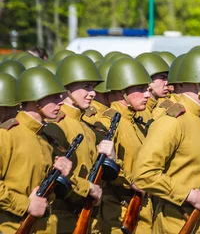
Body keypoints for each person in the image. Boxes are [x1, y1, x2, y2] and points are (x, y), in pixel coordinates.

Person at [133, 48, 200, 233]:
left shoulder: (199, 119)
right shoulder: (173, 121)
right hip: (177, 223)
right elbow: (143, 174)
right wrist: (188, 195)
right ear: (196, 84)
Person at [46, 55, 116, 233]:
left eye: (93, 87)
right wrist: (87, 189)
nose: (92, 93)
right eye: (86, 87)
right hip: (63, 219)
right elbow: (52, 173)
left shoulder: (86, 125)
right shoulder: (56, 125)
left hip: (89, 216)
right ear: (67, 87)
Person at [0, 67, 73, 233]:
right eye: (54, 96)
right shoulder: (6, 135)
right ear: (36, 98)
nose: (61, 101)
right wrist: (25, 204)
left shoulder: (45, 138)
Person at [94, 58, 154, 234]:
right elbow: (104, 166)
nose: (148, 95)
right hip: (118, 213)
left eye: (147, 89)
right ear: (122, 92)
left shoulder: (136, 122)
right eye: (141, 89)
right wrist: (130, 181)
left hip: (142, 210)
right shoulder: (107, 122)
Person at [135, 53, 170, 125]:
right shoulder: (139, 112)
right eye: (162, 78)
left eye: (167, 78)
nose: (167, 82)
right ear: (148, 80)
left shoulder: (153, 107)